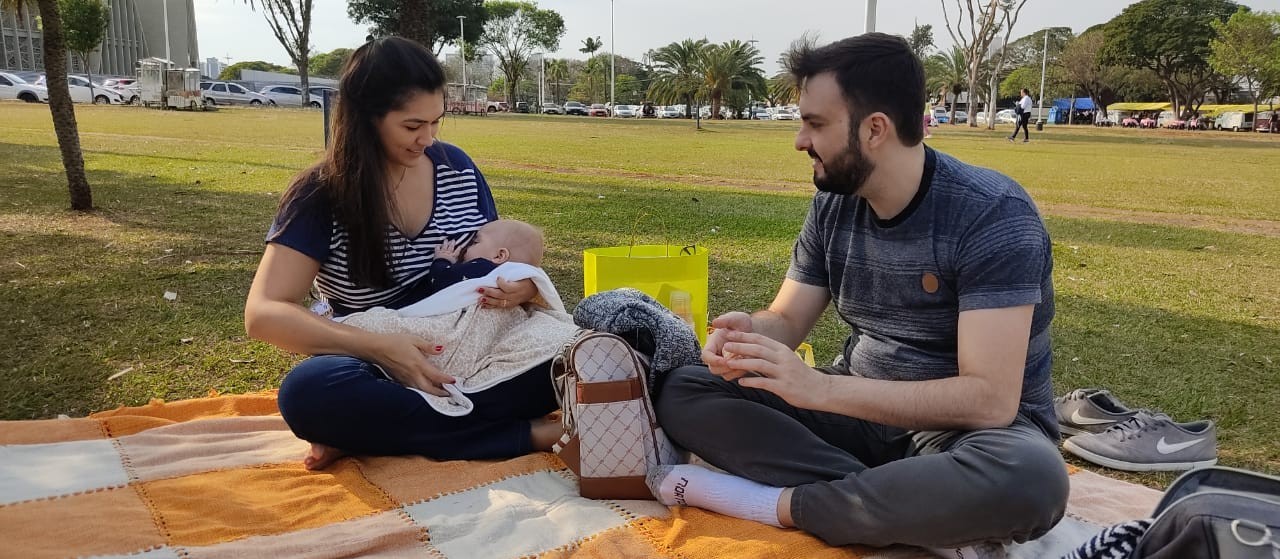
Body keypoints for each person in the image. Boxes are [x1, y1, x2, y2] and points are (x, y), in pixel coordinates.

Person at [646, 33, 1068, 555]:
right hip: (860, 414)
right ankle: (908, 509)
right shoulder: (835, 205)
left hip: (970, 435)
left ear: (874, 129)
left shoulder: (992, 214)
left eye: (815, 124)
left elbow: (988, 401)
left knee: (1031, 480)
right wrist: (750, 335)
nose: (800, 140)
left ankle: (776, 505)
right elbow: (787, 319)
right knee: (685, 389)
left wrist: (820, 391)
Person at [244, 37, 562, 471]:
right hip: (373, 362)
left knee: (585, 349)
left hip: (478, 351)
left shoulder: (458, 170)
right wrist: (379, 348)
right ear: (366, 118)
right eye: (412, 126)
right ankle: (524, 433)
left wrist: (522, 287)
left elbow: (499, 257)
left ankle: (376, 430)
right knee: (309, 393)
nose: (427, 140)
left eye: (436, 123)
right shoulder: (321, 195)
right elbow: (264, 313)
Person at [428, 219, 545, 295]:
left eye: (475, 242)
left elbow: (442, 280)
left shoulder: (483, 267)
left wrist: (442, 260)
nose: (466, 248)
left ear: (499, 256)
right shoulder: (513, 279)